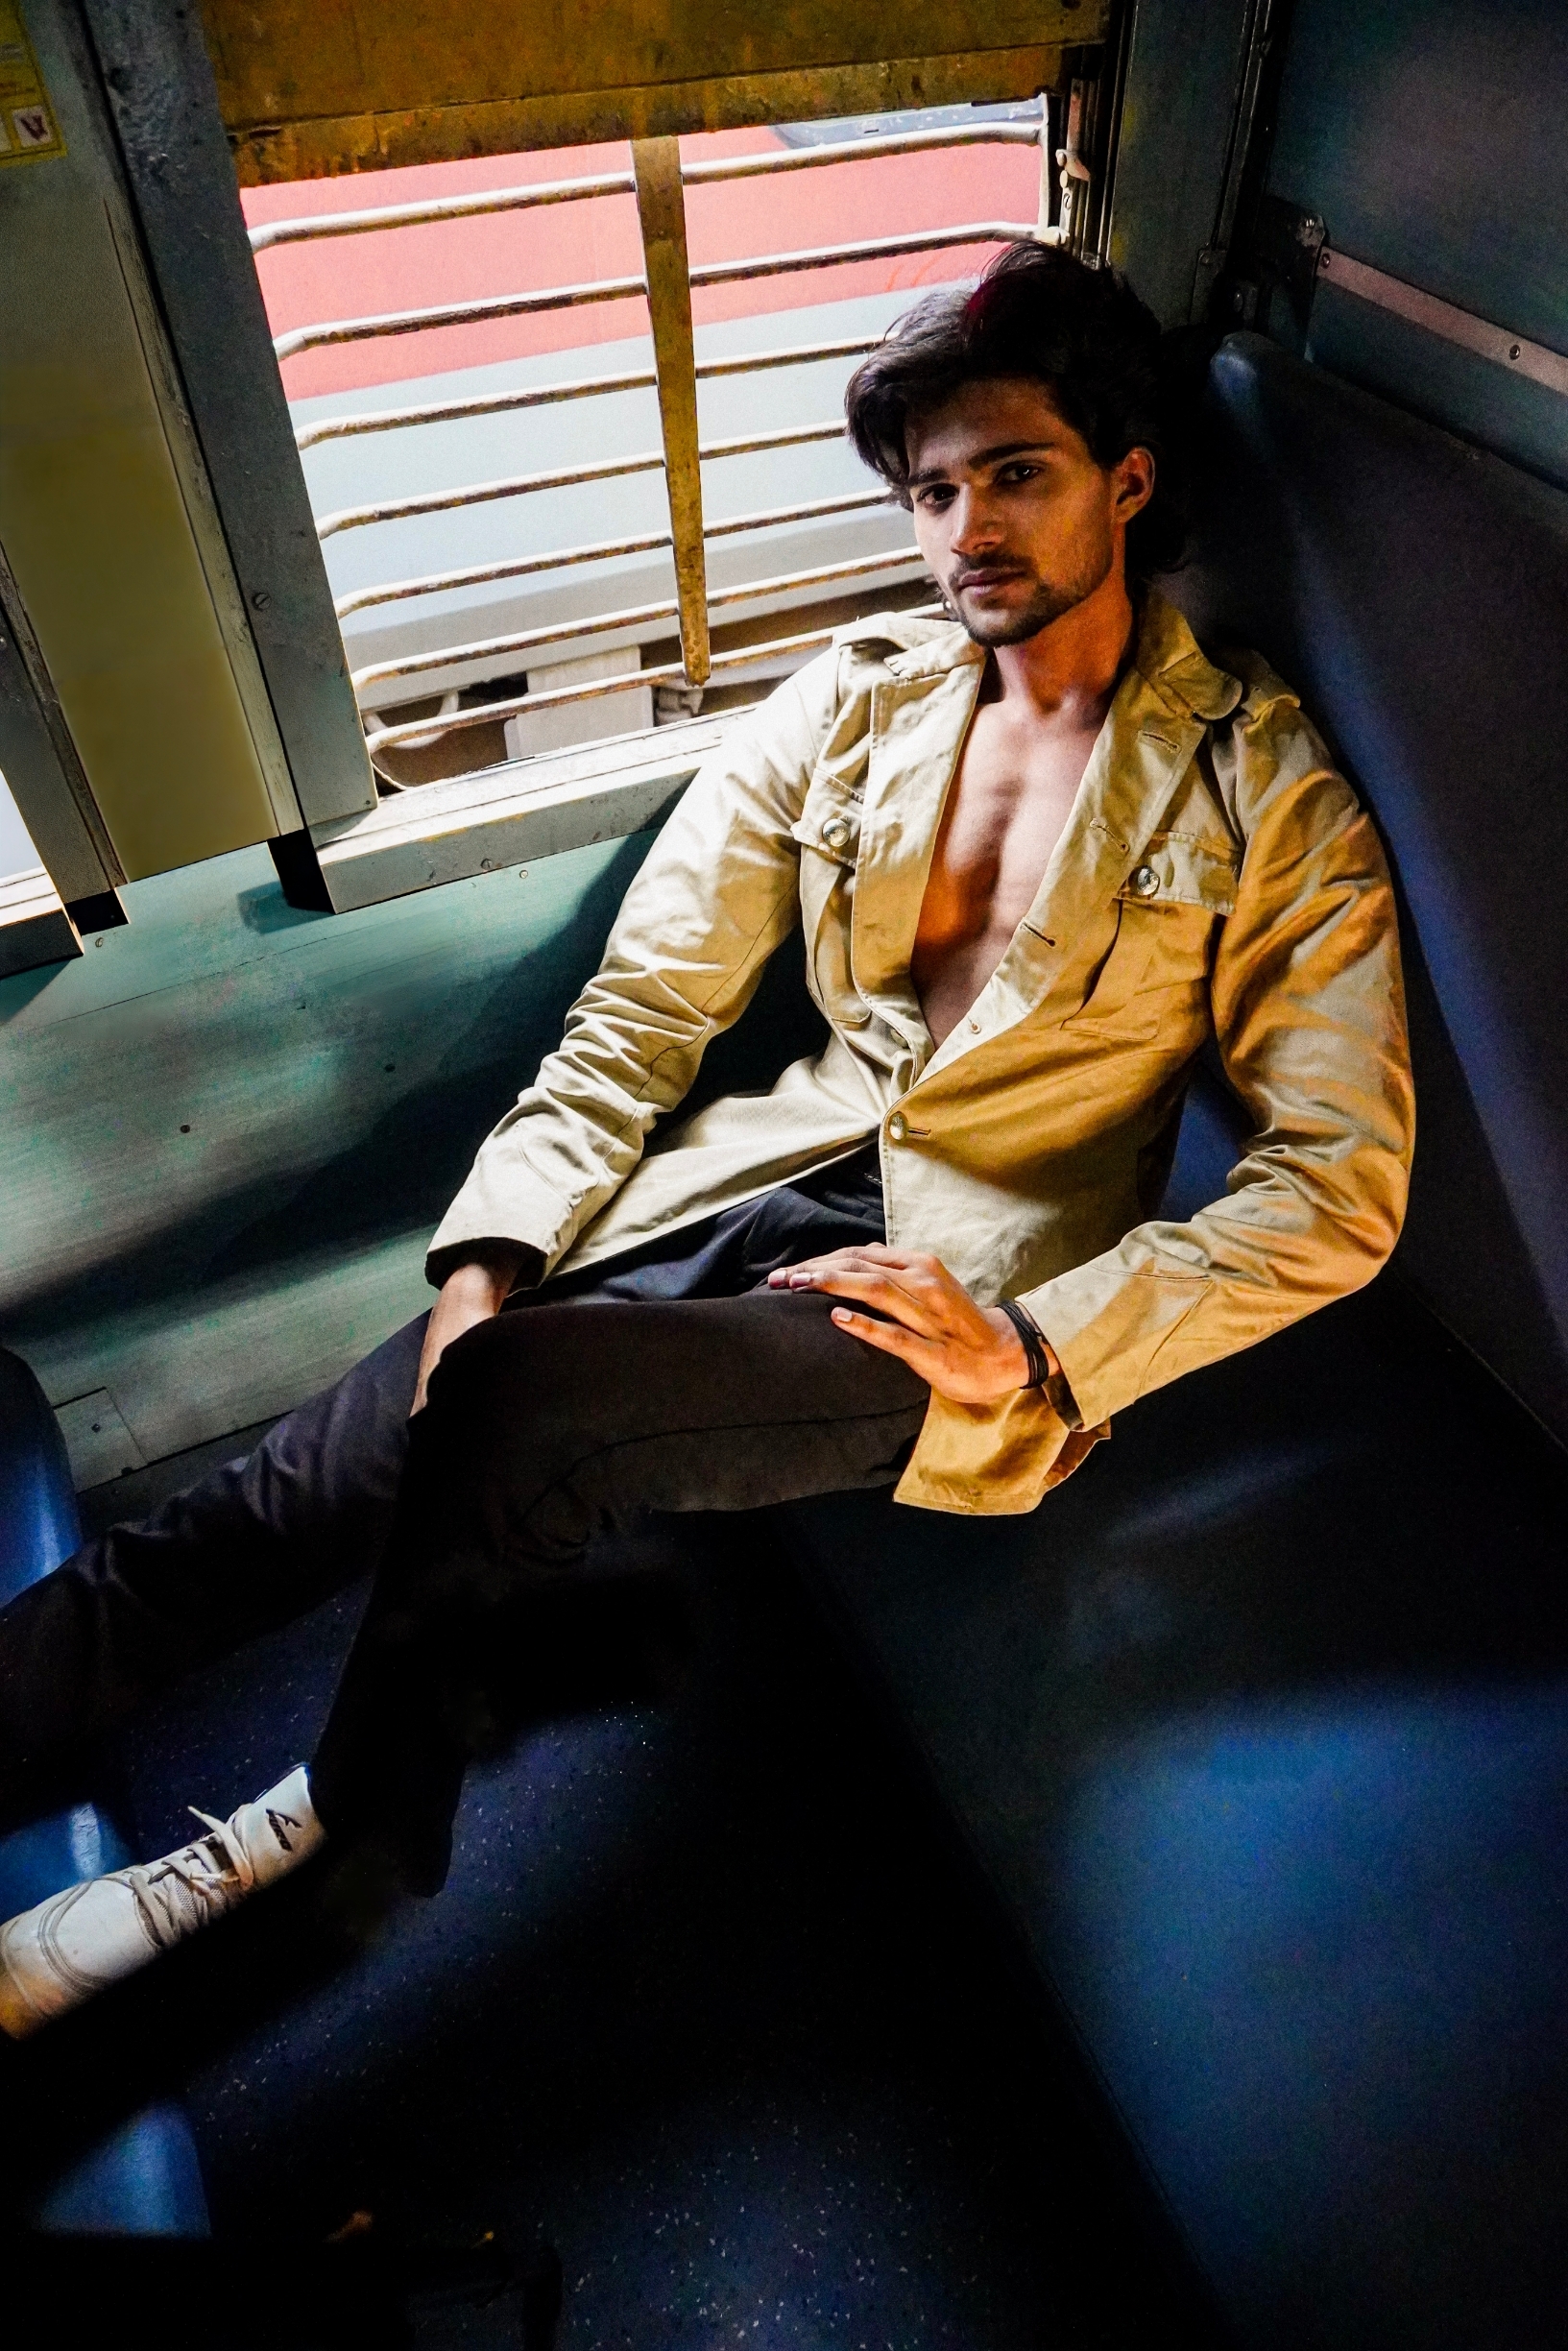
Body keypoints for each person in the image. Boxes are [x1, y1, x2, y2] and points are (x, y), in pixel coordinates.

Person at [0, 242, 1412, 2035]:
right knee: (284, 1486)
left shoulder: (1263, 791)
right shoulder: (853, 700)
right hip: (739, 1186)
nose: (966, 528)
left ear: (1126, 482)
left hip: (961, 1294)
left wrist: (1044, 1347)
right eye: (934, 492)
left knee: (518, 1409)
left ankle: (347, 1825)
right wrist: (487, 1263)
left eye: (1016, 473)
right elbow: (643, 1011)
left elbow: (1335, 1185)